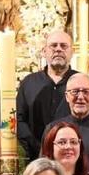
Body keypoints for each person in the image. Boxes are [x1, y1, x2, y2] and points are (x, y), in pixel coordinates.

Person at [16, 29, 76, 160]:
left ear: (72, 52)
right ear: (44, 51)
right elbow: (19, 119)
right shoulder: (29, 83)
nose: (58, 49)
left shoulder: (81, 83)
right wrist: (39, 148)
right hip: (34, 156)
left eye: (64, 46)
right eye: (53, 46)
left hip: (70, 156)